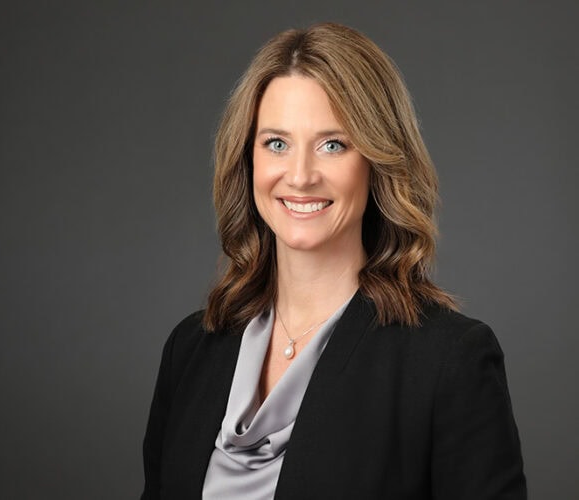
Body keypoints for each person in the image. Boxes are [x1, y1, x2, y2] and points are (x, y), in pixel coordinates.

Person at [141, 23, 526, 499]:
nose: (300, 176)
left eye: (333, 144)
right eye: (276, 143)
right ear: (249, 160)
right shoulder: (191, 349)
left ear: (378, 161)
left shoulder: (449, 361)